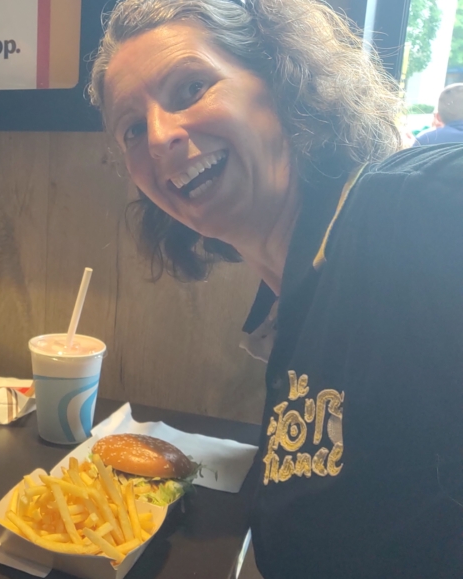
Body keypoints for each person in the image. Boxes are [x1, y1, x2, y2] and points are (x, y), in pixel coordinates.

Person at [90, 0, 463, 577]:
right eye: (132, 129)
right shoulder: (288, 309)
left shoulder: (418, 209)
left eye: (191, 88)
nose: (159, 137)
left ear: (284, 81)